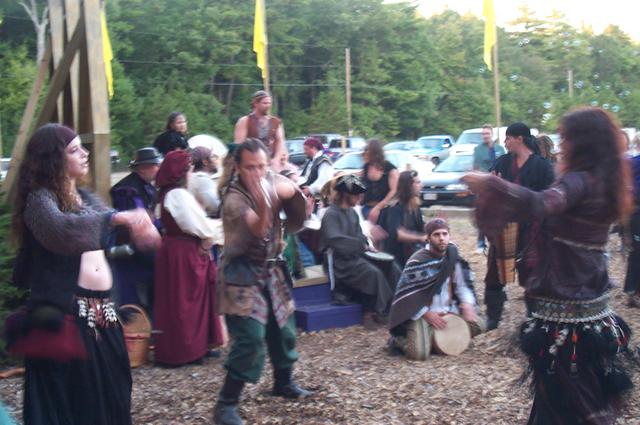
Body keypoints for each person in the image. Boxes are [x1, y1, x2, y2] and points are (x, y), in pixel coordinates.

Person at [463, 107, 634, 425]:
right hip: (590, 304)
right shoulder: (607, 181)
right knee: (577, 392)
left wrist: (490, 184)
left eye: (567, 137)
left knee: (567, 395)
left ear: (582, 142)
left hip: (566, 308)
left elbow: (541, 203)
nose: (562, 144)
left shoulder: (579, 182)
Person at [8, 123, 160, 425]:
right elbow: (64, 232)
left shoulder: (84, 197)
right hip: (68, 316)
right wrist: (118, 219)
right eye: (74, 150)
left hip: (103, 313)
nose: (85, 153)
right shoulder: (39, 201)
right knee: (78, 401)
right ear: (53, 159)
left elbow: (105, 229)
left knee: (113, 391)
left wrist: (138, 230)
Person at [214, 138, 312, 425]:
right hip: (241, 275)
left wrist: (290, 192)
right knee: (250, 338)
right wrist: (264, 199)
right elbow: (258, 228)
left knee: (284, 328)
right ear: (237, 167)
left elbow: (291, 194)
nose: (257, 173)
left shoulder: (269, 178)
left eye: (262, 166)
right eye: (250, 167)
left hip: (271, 269)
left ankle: (284, 382)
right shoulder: (234, 199)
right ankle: (226, 404)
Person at [153, 150, 224, 366]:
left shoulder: (167, 194)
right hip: (184, 253)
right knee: (185, 303)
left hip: (175, 251)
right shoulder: (177, 195)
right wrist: (209, 239)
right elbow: (200, 226)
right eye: (189, 170)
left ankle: (193, 346)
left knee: (178, 301)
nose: (192, 174)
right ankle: (186, 350)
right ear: (182, 172)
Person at [483, 122, 554, 330]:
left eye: (508, 138)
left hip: (532, 230)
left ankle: (534, 319)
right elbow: (489, 190)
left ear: (519, 139)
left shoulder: (542, 166)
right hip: (504, 228)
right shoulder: (502, 162)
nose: (505, 143)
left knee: (533, 277)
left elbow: (549, 198)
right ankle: (493, 319)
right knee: (494, 274)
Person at [387, 218, 482, 360]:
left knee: (480, 324)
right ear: (428, 238)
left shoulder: (452, 256)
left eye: (444, 234)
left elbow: (462, 286)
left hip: (449, 310)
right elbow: (408, 295)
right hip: (424, 315)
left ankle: (431, 340)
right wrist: (427, 314)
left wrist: (467, 304)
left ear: (449, 235)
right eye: (436, 234)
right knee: (419, 355)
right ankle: (400, 340)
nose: (441, 238)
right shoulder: (417, 261)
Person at [319, 174, 399, 330]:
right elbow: (335, 241)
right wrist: (360, 245)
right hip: (340, 262)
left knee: (390, 266)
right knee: (373, 273)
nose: (359, 198)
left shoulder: (352, 213)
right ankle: (371, 312)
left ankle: (392, 307)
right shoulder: (331, 214)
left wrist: (367, 245)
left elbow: (359, 236)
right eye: (356, 195)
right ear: (345, 194)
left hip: (355, 255)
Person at [109, 147, 162, 310]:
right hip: (128, 245)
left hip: (143, 242)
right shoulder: (126, 189)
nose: (159, 168)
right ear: (143, 168)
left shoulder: (147, 186)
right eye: (155, 165)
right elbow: (137, 218)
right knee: (130, 293)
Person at [378, 170, 426, 268]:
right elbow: (398, 234)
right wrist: (420, 238)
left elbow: (421, 228)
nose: (421, 185)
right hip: (397, 256)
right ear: (408, 186)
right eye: (417, 182)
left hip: (412, 250)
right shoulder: (394, 207)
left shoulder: (414, 207)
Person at [233, 90, 285, 171]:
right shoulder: (245, 121)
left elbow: (280, 141)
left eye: (269, 103)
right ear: (255, 103)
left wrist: (276, 159)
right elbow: (239, 144)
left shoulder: (275, 122)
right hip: (251, 160)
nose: (268, 106)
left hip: (270, 161)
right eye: (265, 103)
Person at [473, 124, 505, 252]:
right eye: (483, 133)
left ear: (492, 134)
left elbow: (504, 165)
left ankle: (497, 241)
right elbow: (477, 168)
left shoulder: (500, 149)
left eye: (487, 133)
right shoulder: (478, 150)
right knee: (483, 214)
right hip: (484, 186)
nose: (485, 136)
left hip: (498, 186)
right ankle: (481, 243)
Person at [361, 139, 399, 224]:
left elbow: (394, 190)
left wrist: (378, 207)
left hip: (385, 209)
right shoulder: (366, 166)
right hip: (367, 206)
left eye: (367, 149)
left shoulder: (389, 168)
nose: (364, 152)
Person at [623, 149, 640, 306]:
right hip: (636, 213)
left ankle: (633, 291)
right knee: (637, 254)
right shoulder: (634, 162)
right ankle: (633, 292)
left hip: (634, 213)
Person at [188, 146, 221, 217]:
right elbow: (215, 206)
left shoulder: (194, 177)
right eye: (212, 157)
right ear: (205, 162)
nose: (215, 160)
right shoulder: (201, 179)